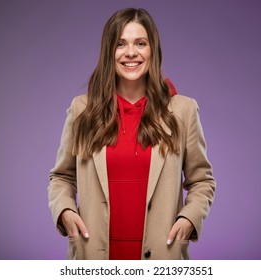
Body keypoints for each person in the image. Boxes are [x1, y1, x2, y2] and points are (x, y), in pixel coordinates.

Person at [47, 8, 216, 260]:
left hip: (162, 256)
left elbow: (202, 181)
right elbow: (61, 177)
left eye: (140, 43)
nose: (131, 53)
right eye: (120, 44)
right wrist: (65, 212)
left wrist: (189, 219)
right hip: (93, 256)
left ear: (152, 50)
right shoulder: (82, 110)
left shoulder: (183, 111)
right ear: (109, 52)